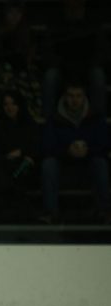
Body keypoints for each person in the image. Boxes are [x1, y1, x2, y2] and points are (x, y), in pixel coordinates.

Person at [40, 81, 111, 223]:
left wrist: (88, 150)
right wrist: (67, 150)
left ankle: (105, 211)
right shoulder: (55, 119)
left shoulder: (95, 117)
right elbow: (47, 146)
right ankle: (50, 212)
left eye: (78, 96)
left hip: (89, 159)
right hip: (63, 161)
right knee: (48, 164)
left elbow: (105, 144)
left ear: (84, 97)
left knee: (100, 163)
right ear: (64, 97)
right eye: (71, 96)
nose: (74, 100)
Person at [41, 0, 108, 118]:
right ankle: (49, 119)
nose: (74, 6)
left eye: (77, 5)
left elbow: (100, 50)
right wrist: (63, 66)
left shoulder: (92, 20)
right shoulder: (56, 20)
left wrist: (86, 66)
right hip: (62, 68)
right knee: (50, 76)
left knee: (98, 75)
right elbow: (48, 49)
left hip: (86, 68)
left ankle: (98, 120)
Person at [0, 90, 40, 221]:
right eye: (6, 104)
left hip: (25, 165)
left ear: (19, 105)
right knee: (4, 174)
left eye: (13, 104)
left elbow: (37, 146)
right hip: (4, 165)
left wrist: (22, 153)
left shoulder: (29, 124)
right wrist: (7, 157)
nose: (9, 108)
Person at [0, 1, 42, 120]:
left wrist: (25, 63)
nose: (14, 16)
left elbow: (30, 55)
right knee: (5, 74)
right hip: (2, 70)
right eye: (11, 13)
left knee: (31, 78)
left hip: (24, 71)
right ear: (6, 14)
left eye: (18, 13)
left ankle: (30, 111)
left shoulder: (28, 32)